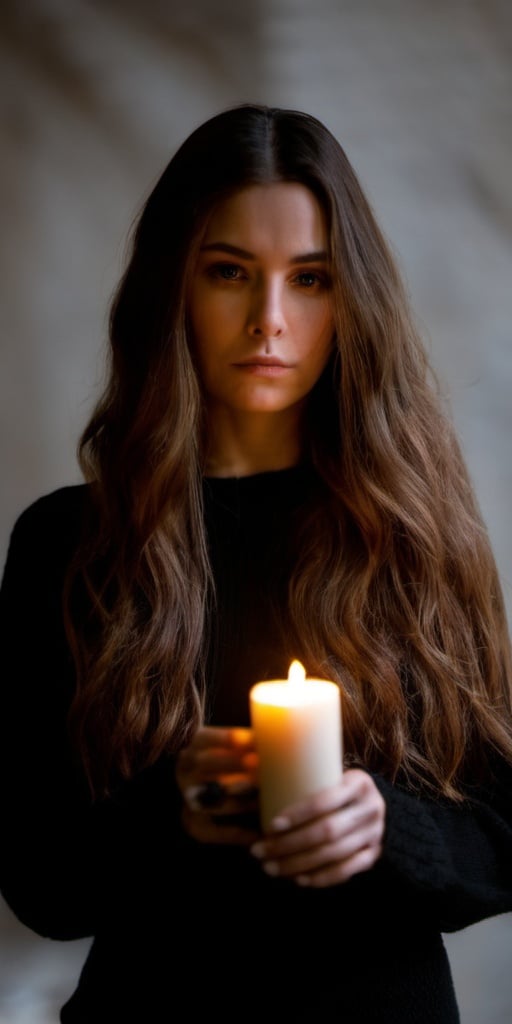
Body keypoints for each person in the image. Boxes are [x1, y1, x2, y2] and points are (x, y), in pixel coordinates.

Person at [1, 103, 512, 1024]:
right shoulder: (64, 546)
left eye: (309, 279)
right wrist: (173, 811)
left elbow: (507, 840)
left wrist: (393, 831)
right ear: (174, 287)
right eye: (230, 272)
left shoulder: (416, 536)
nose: (269, 320)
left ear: (350, 298)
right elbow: (42, 889)